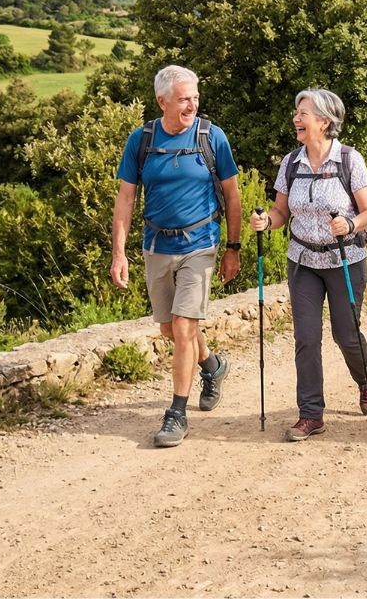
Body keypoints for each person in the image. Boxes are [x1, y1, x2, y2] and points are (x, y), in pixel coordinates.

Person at [110, 65, 242, 448]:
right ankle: (213, 366)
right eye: (184, 99)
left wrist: (232, 249)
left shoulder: (211, 137)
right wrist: (119, 253)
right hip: (156, 246)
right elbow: (126, 198)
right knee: (170, 330)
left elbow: (232, 196)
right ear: (162, 100)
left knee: (184, 327)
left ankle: (176, 414)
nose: (192, 105)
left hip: (200, 243)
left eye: (195, 97)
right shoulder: (142, 140)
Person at [248, 88, 367, 442]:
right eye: (296, 111)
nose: (296, 118)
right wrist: (266, 222)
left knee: (345, 334)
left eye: (302, 112)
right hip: (303, 261)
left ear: (325, 121)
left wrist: (350, 224)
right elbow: (280, 211)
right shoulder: (291, 163)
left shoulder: (349, 160)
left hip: (345, 260)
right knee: (306, 338)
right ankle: (310, 414)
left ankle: (365, 378)